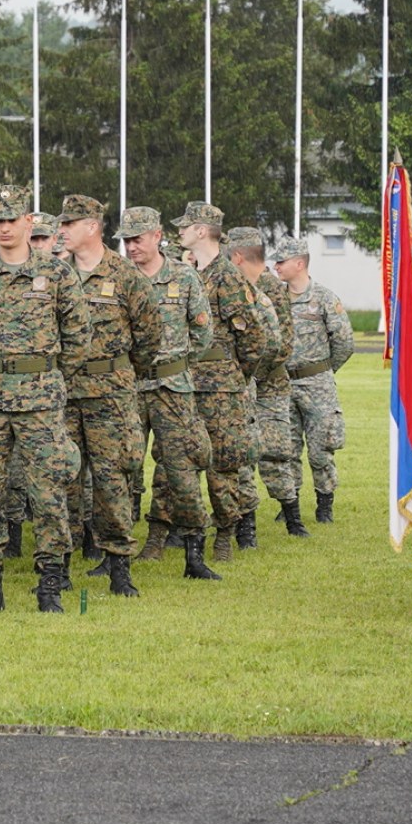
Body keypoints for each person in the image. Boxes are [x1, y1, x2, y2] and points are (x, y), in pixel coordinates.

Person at [0, 184, 92, 612]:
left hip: (41, 400)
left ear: (29, 222)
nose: (5, 227)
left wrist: (46, 376)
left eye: (13, 219)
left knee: (49, 491)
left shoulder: (56, 274)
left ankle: (50, 583)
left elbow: (79, 336)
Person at [55, 194, 159, 597]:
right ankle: (58, 566)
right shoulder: (54, 275)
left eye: (69, 224)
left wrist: (117, 370)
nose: (62, 230)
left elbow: (149, 337)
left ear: (92, 227)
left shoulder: (126, 275)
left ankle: (118, 567)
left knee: (112, 480)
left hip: (110, 396)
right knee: (60, 480)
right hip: (63, 394)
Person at [117, 208, 219, 579]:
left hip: (172, 389)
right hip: (128, 387)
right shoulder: (118, 277)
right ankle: (116, 554)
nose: (131, 247)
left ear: (157, 236)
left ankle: (194, 553)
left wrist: (176, 363)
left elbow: (203, 331)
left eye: (137, 239)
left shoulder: (183, 276)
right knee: (122, 468)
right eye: (126, 240)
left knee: (182, 470)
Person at [175, 201, 268, 564]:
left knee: (223, 462)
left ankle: (226, 533)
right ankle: (186, 535)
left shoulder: (227, 275)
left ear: (201, 231)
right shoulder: (191, 272)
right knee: (184, 458)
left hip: (220, 385)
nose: (179, 231)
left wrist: (235, 376)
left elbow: (255, 338)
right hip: (188, 381)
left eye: (186, 226)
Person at [272, 236, 355, 524]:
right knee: (286, 448)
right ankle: (289, 505)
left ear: (299, 262)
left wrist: (323, 371)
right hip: (282, 385)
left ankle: (324, 505)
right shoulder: (274, 299)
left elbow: (344, 342)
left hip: (317, 384)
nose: (276, 266)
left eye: (281, 261)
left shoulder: (324, 298)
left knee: (321, 449)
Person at [227, 227, 299, 539]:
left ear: (239, 255)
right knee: (242, 453)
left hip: (269, 385)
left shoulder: (271, 287)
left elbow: (283, 344)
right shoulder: (231, 286)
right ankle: (247, 525)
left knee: (275, 451)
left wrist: (253, 369)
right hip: (241, 386)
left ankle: (293, 517)